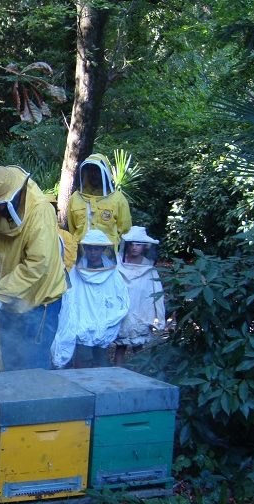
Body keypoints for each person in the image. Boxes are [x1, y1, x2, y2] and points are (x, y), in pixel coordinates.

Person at [0, 165, 66, 371]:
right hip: (8, 301)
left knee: (33, 365)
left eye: (1, 204)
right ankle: (11, 402)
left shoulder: (41, 212)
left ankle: (35, 404)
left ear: (17, 194)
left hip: (40, 301)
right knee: (11, 359)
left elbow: (37, 264)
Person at [51, 229, 130, 368]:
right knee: (82, 364)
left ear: (104, 249)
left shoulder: (113, 274)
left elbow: (122, 301)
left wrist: (108, 321)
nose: (92, 252)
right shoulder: (76, 272)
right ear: (84, 249)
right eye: (89, 248)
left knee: (102, 365)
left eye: (96, 249)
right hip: (82, 328)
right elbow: (69, 299)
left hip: (104, 327)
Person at [114, 226, 165, 365]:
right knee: (120, 346)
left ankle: (141, 376)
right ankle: (116, 378)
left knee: (139, 348)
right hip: (122, 314)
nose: (134, 247)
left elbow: (158, 296)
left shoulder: (150, 270)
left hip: (141, 314)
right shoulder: (117, 266)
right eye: (131, 244)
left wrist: (159, 319)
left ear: (145, 247)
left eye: (138, 244)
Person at [67, 154, 132, 248]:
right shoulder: (75, 198)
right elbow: (72, 229)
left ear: (105, 172)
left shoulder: (118, 198)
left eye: (97, 171)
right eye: (91, 171)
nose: (94, 175)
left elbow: (125, 230)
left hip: (109, 256)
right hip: (80, 255)